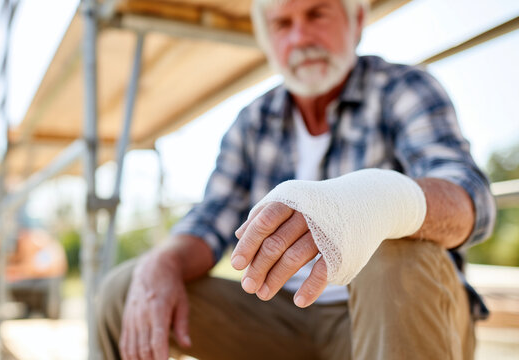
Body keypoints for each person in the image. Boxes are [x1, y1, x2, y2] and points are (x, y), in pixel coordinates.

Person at [96, 0, 496, 359]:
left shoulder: (402, 89)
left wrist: (374, 204)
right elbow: (210, 222)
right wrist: (162, 261)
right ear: (267, 41)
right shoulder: (253, 121)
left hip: (389, 317)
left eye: (317, 13)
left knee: (394, 251)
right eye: (282, 24)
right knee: (128, 286)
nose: (301, 37)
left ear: (356, 20)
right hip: (282, 317)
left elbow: (469, 200)